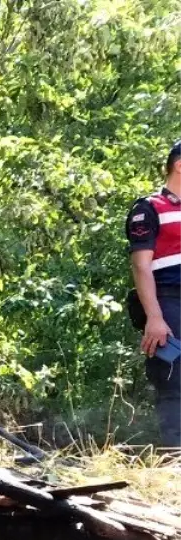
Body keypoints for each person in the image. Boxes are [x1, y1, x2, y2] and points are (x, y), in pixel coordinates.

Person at [126, 140, 181, 448]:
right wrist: (155, 317)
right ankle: (176, 459)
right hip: (170, 299)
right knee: (174, 379)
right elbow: (141, 266)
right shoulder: (149, 208)